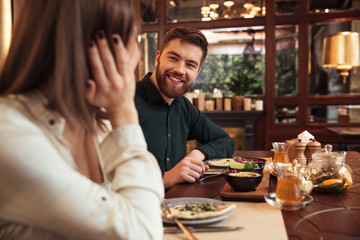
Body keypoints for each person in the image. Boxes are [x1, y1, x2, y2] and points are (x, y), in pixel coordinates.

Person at [0, 0, 164, 239]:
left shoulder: (97, 122)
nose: (137, 56)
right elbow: (142, 232)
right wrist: (124, 112)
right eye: (134, 41)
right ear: (100, 51)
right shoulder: (11, 134)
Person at [135, 26, 235, 189]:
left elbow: (226, 141)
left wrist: (197, 154)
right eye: (173, 58)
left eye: (190, 65)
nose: (180, 70)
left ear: (197, 72)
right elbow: (105, 177)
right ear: (158, 58)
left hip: (177, 207)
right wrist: (165, 179)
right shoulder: (125, 103)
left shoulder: (184, 108)